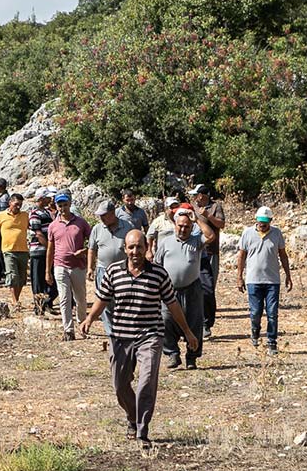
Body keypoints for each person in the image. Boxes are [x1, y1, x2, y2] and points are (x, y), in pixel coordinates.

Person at [81, 230, 199, 449]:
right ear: (124, 249)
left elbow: (172, 304)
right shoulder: (113, 271)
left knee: (146, 382)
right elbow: (102, 299)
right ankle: (133, 417)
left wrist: (187, 331)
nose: (135, 251)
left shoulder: (158, 274)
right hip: (121, 336)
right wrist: (89, 318)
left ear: (147, 248)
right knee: (120, 384)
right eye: (131, 247)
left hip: (150, 335)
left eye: (139, 247)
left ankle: (142, 431)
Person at [153, 208, 216, 370]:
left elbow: (211, 236)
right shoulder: (165, 242)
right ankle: (172, 353)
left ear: (191, 227)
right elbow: (157, 265)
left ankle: (192, 357)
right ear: (175, 225)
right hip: (169, 290)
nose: (183, 229)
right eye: (180, 225)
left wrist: (197, 220)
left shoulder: (196, 241)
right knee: (166, 320)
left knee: (194, 322)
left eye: (187, 226)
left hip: (192, 289)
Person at [237, 207, 293, 355]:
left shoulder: (276, 233)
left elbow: (283, 255)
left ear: (270, 221)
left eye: (266, 221)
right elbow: (241, 256)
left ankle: (272, 342)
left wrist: (288, 275)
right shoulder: (247, 233)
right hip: (253, 280)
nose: (262, 224)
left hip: (272, 280)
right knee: (256, 312)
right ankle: (255, 331)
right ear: (256, 220)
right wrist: (239, 277)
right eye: (260, 221)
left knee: (272, 313)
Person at [46, 193, 92, 342]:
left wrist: (84, 251)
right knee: (64, 298)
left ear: (70, 204)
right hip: (60, 265)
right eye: (60, 205)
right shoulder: (53, 225)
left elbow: (93, 242)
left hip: (78, 266)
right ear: (56, 206)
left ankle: (82, 325)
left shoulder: (81, 222)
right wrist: (47, 271)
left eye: (65, 204)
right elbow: (50, 249)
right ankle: (68, 330)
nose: (63, 208)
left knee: (80, 299)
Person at [88, 201, 130, 338]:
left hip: (123, 271)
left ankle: (123, 330)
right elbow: (92, 249)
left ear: (112, 213)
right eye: (100, 215)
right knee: (104, 302)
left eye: (104, 215)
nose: (101, 218)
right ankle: (111, 333)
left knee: (122, 301)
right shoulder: (97, 229)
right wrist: (90, 268)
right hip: (103, 270)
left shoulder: (127, 227)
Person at [190, 184, 226, 339]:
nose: (194, 197)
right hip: (193, 252)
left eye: (196, 194)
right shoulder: (192, 206)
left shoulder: (215, 207)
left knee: (208, 287)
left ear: (202, 195)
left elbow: (221, 224)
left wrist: (208, 216)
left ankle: (206, 322)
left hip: (210, 253)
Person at [0, 193, 30, 308]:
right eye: (16, 204)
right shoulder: (1, 215)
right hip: (8, 250)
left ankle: (16, 299)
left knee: (22, 277)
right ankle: (15, 301)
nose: (18, 207)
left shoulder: (25, 215)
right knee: (12, 275)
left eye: (20, 204)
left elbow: (33, 228)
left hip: (23, 250)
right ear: (10, 203)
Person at [28, 190, 58, 316]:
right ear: (41, 199)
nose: (49, 200)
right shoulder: (35, 214)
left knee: (51, 280)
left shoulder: (46, 212)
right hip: (38, 251)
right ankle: (39, 307)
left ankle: (47, 304)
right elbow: (38, 234)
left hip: (47, 252)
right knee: (38, 281)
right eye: (47, 198)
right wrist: (49, 248)